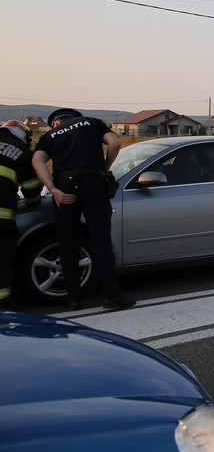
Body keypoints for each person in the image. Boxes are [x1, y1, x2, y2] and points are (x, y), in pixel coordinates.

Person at [31, 108, 135, 311]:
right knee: (101, 241)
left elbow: (37, 161)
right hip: (93, 183)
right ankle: (111, 296)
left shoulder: (49, 136)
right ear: (76, 117)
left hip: (64, 187)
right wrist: (103, 168)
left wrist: (53, 189)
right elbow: (115, 144)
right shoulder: (92, 122)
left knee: (68, 243)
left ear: (55, 123)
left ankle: (73, 298)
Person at [0, 121, 43, 308]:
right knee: (2, 259)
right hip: (1, 219)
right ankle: (3, 301)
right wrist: (32, 201)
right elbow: (32, 190)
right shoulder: (22, 152)